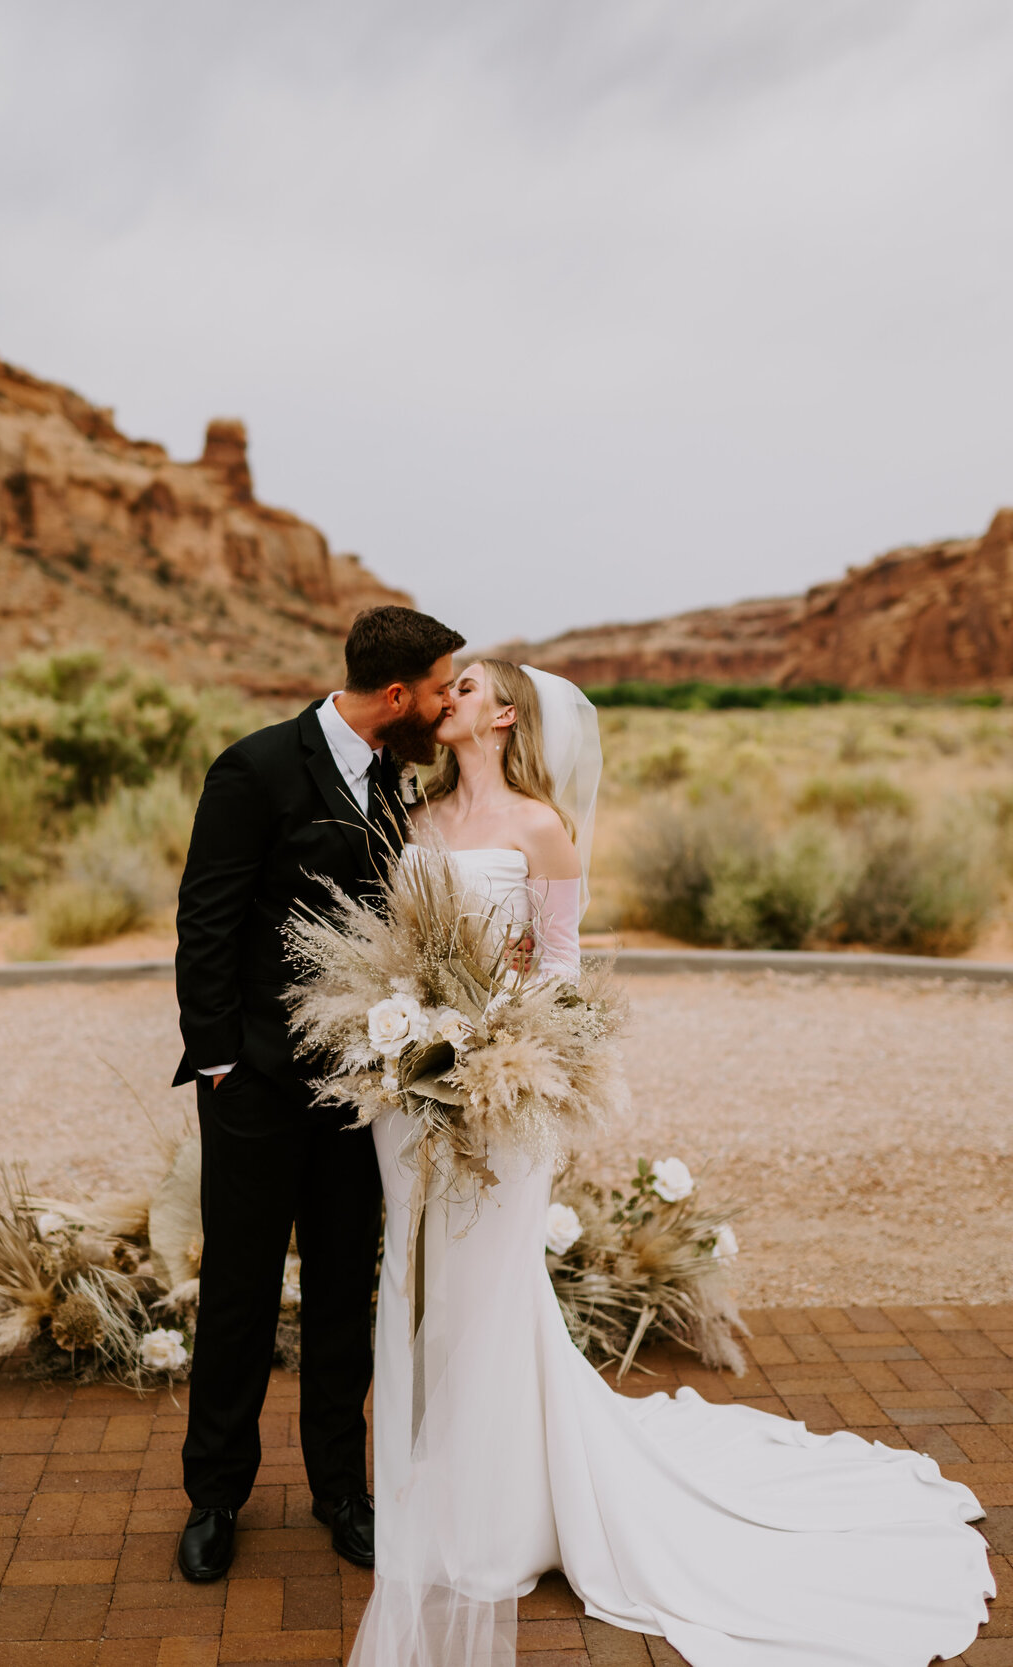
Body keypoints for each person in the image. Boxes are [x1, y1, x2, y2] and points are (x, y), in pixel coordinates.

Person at [354, 657, 993, 1667]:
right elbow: (396, 946)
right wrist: (403, 1036)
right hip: (412, 1093)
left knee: (491, 1288)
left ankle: (501, 1517)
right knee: (427, 1288)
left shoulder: (541, 828)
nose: (448, 699)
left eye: (468, 687)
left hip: (504, 1092)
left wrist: (493, 1050)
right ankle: (448, 1481)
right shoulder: (417, 818)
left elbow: (558, 968)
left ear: (507, 713)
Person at [171, 605, 464, 1585]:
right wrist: (217, 1063)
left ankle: (341, 1491)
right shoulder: (254, 769)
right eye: (438, 687)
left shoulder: (400, 781)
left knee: (344, 1291)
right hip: (254, 1085)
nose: (444, 703)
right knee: (241, 1294)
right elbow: (205, 920)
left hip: (359, 1093)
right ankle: (216, 1498)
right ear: (396, 695)